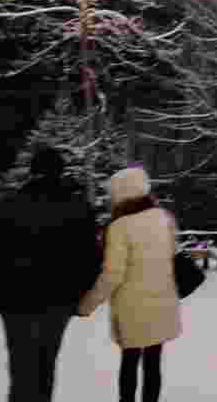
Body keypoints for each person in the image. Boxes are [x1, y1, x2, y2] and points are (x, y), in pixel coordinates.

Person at [0, 146, 101, 402]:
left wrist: (2, 285)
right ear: (60, 172)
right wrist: (76, 293)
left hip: (15, 300)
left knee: (21, 367)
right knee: (45, 365)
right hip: (58, 302)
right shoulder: (79, 209)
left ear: (32, 171)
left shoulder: (5, 207)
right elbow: (91, 260)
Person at [78, 167, 181, 402]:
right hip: (163, 304)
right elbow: (171, 255)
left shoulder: (119, 227)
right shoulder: (165, 218)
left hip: (132, 309)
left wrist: (87, 305)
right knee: (153, 363)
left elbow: (112, 274)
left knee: (130, 362)